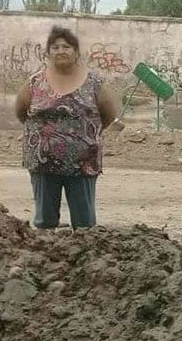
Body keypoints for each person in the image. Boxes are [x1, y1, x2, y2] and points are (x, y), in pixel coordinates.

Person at [15, 26, 123, 230]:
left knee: (84, 222)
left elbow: (108, 115)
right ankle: (44, 254)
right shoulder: (35, 82)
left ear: (76, 52)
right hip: (43, 163)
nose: (60, 50)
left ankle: (86, 256)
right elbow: (21, 112)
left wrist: (83, 137)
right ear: (48, 52)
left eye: (66, 46)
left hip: (82, 163)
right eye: (55, 47)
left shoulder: (93, 83)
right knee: (44, 220)